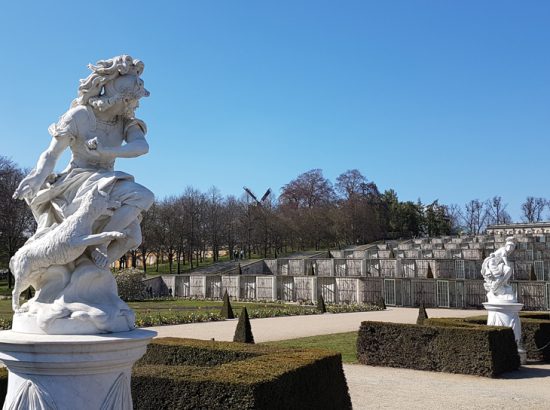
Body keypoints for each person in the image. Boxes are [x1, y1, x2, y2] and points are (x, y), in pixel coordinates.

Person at [13, 55, 154, 270]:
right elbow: (52, 153)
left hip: (108, 178)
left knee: (133, 237)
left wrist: (106, 151)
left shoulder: (125, 121)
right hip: (78, 179)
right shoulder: (80, 116)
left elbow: (141, 147)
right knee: (143, 196)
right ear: (118, 98)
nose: (134, 106)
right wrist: (38, 176)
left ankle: (92, 273)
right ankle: (101, 243)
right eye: (131, 100)